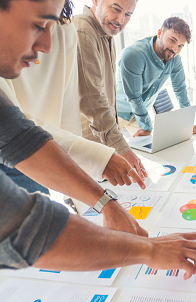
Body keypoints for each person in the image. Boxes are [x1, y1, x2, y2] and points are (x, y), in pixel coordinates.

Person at [0, 0, 196, 278]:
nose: (46, 45)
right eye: (37, 24)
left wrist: (105, 203)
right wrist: (147, 250)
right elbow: (12, 227)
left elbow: (21, 138)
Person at [74, 0, 147, 178]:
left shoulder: (105, 33)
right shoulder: (83, 31)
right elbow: (93, 100)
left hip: (100, 146)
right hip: (85, 149)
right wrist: (122, 148)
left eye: (128, 15)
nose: (121, 20)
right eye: (116, 9)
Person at [116, 16, 196, 137]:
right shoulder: (134, 55)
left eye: (180, 46)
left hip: (140, 113)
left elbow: (180, 89)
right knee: (107, 152)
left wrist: (188, 122)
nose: (175, 49)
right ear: (160, 33)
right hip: (117, 112)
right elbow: (134, 97)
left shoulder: (174, 59)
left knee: (150, 150)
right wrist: (147, 125)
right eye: (172, 40)